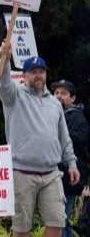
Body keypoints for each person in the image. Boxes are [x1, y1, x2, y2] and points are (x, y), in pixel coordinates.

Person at [0, 42, 80, 237]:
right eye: (33, 71)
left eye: (41, 71)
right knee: (22, 229)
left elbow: (63, 137)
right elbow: (2, 82)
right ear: (24, 76)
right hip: (22, 173)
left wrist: (72, 163)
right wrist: (5, 59)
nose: (38, 75)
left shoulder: (54, 103)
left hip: (51, 173)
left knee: (57, 224)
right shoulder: (13, 96)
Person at [51, 79, 89, 237]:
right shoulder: (53, 116)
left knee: (61, 220)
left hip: (70, 178)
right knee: (60, 221)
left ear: (72, 98)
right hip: (56, 177)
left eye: (64, 93)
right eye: (56, 93)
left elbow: (75, 142)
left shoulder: (77, 118)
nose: (59, 96)